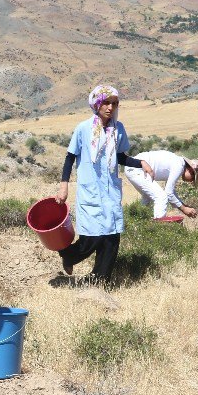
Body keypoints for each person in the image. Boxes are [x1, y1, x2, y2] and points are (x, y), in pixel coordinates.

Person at [55, 84, 154, 282]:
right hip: (90, 190)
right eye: (106, 103)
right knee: (92, 237)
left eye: (114, 103)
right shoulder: (83, 128)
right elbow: (70, 157)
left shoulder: (118, 129)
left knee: (111, 238)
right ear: (97, 104)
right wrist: (64, 185)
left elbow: (120, 157)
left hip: (110, 192)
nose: (110, 107)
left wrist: (140, 162)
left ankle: (99, 281)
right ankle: (68, 256)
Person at [124, 150, 198, 219]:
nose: (191, 181)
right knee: (161, 197)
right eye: (193, 179)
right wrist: (184, 209)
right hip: (137, 168)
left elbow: (170, 191)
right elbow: (168, 193)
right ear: (191, 170)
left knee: (147, 199)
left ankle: (138, 223)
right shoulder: (179, 165)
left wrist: (183, 206)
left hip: (133, 167)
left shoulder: (177, 162)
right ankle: (160, 228)